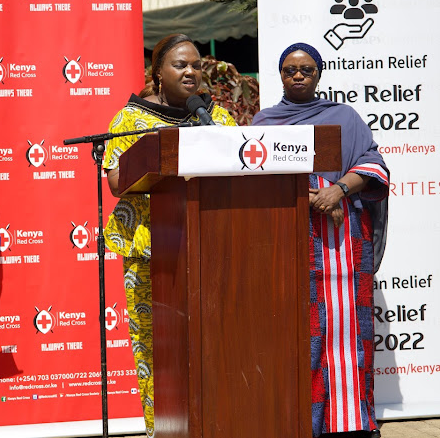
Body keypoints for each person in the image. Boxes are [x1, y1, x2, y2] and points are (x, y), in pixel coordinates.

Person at [103, 34, 236, 437]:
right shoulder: (131, 121)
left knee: (212, 345)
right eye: (180, 65)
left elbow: (245, 168)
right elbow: (114, 181)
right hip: (151, 251)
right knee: (156, 348)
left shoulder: (218, 119)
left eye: (196, 65)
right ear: (158, 73)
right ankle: (160, 430)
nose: (191, 72)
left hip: (211, 248)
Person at [253, 42, 388, 438]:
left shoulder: (344, 116)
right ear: (279, 74)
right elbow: (256, 178)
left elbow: (373, 164)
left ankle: (353, 422)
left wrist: (338, 191)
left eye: (307, 69)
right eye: (291, 69)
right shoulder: (264, 122)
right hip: (290, 243)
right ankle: (304, 421)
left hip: (344, 243)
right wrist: (307, 196)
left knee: (351, 332)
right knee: (301, 331)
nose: (298, 75)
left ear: (319, 74)